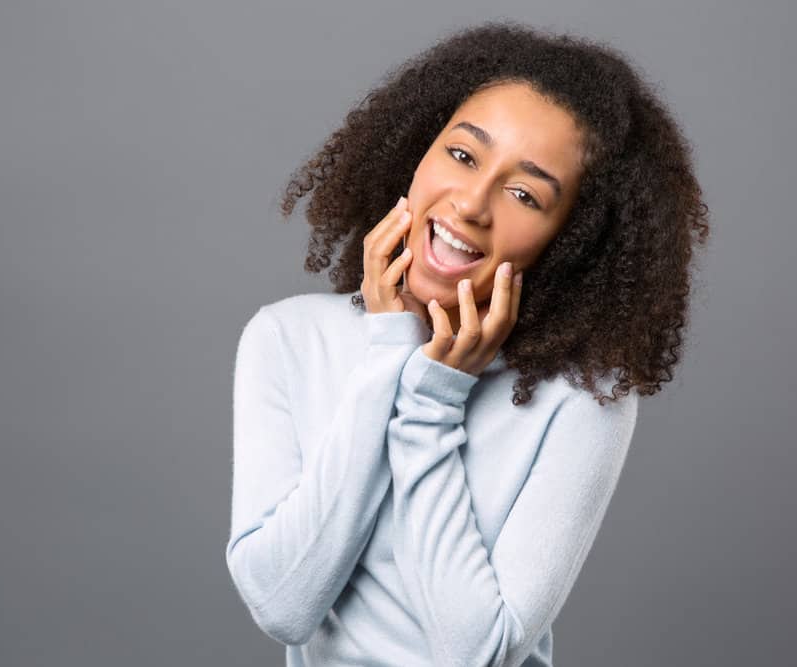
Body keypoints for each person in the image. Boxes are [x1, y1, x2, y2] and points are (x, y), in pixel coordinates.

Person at [226, 21, 709, 667]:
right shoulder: (287, 337)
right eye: (461, 155)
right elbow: (285, 605)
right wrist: (389, 352)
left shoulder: (584, 400)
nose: (471, 204)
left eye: (524, 194)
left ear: (569, 238)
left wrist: (433, 403)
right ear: (416, 154)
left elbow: (475, 654)